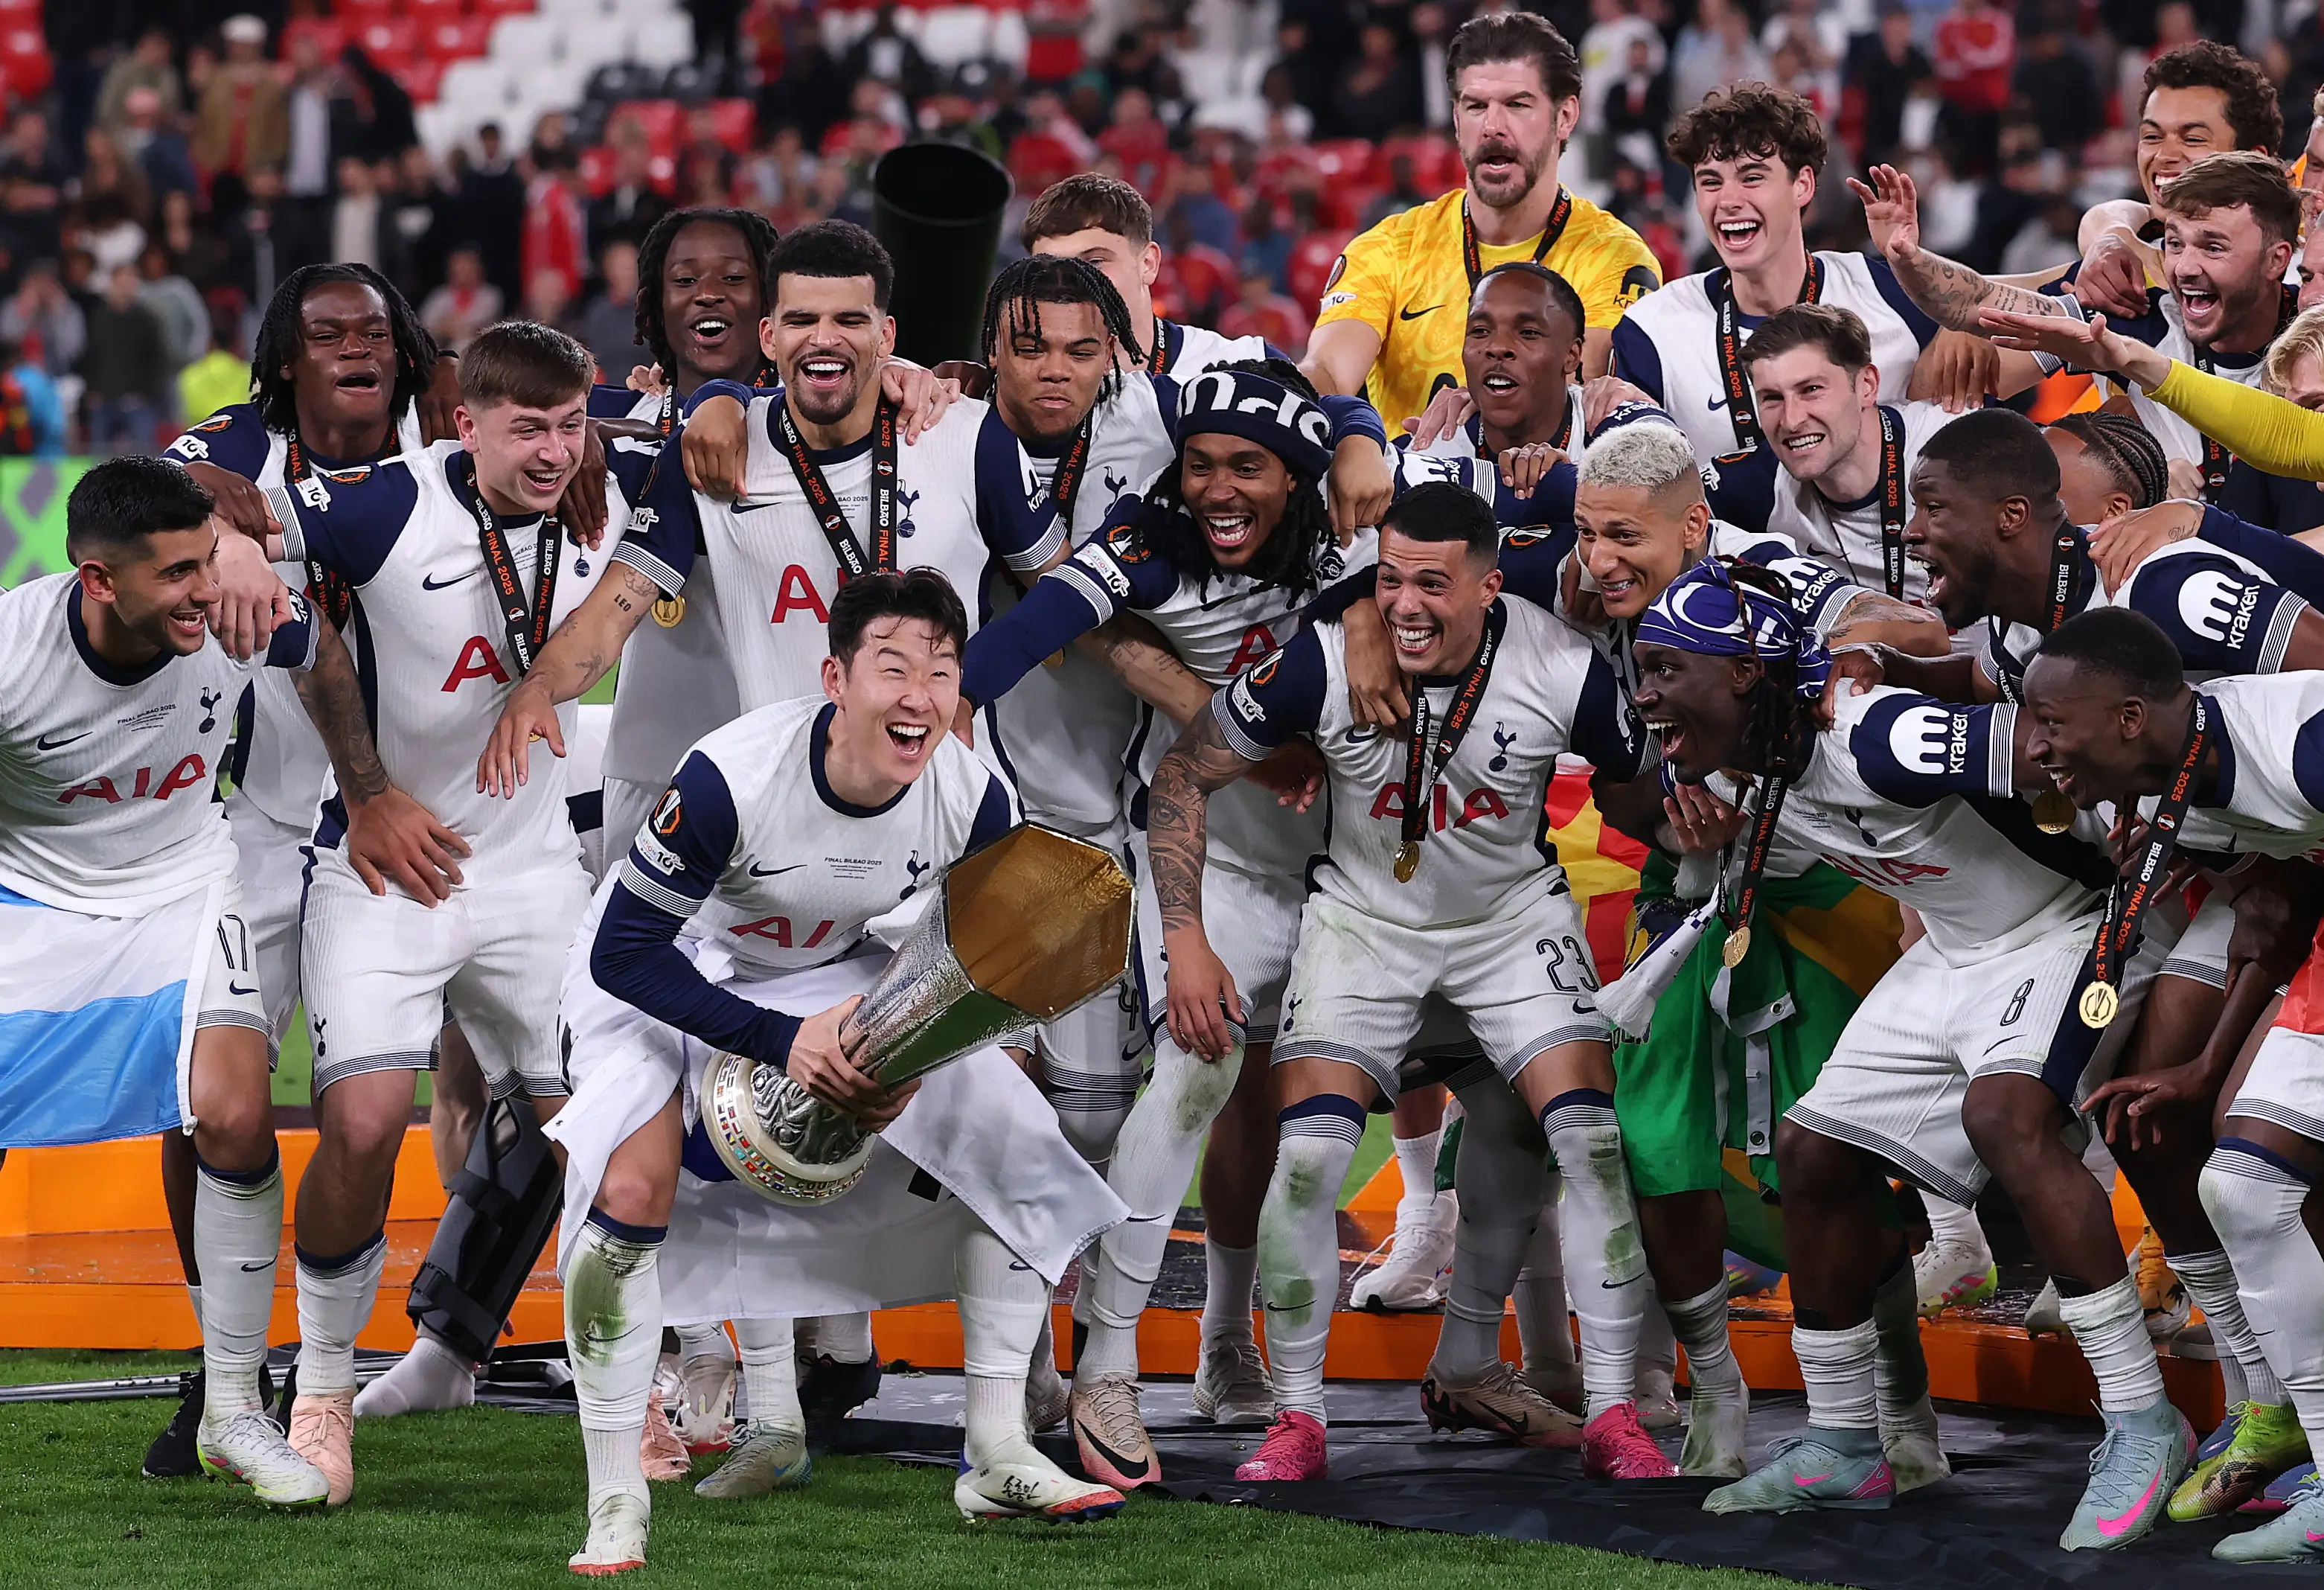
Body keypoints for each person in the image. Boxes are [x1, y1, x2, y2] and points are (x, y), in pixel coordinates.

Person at [1634, 492, 2181, 1552]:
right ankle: (1847, 1442)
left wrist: (2139, 830)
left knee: (2005, 1118)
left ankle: (2137, 1417)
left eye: (1666, 672)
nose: (1648, 696)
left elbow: (2047, 741)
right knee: (1810, 1149)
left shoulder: (1870, 732)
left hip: (2068, 925)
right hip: (1954, 948)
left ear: (1745, 674)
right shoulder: (1750, 751)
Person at [545, 569, 1122, 1571]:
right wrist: (779, 1042)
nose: (919, 695)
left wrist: (925, 1055)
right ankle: (614, 1497)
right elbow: (621, 955)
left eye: (940, 672)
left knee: (1020, 1137)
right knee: (628, 1180)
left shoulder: (972, 793)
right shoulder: (730, 775)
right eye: (891, 669)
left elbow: (989, 967)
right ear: (834, 678)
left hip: (836, 974)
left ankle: (993, 1449)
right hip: (675, 963)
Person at [1156, 483, 1673, 1484]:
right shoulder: (1322, 652)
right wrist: (1185, 935)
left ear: (1489, 588)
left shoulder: (1560, 666)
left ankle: (1610, 1412)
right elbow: (1182, 774)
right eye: (1387, 580)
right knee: (1306, 1159)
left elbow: (1629, 786)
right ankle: (1296, 1419)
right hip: (1363, 922)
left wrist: (1699, 822)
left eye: (1432, 585)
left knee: (1587, 1139)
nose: (1403, 607)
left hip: (1506, 921)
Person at [255, 322, 686, 1505]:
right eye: (525, 429)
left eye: (568, 425)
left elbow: (727, 424)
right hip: (385, 866)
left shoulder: (618, 484)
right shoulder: (382, 506)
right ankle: (326, 1391)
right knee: (360, 1123)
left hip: (536, 872)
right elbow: (241, 523)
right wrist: (367, 791)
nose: (553, 452)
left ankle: (629, 1391)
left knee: (600, 1124)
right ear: (466, 425)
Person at [0, 456, 438, 1507]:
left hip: (190, 888)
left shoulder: (240, 609)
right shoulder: (13, 660)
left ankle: (236, 1412)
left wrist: (367, 788)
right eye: (178, 575)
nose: (208, 591)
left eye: (210, 562)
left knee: (234, 1120)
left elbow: (322, 656)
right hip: (33, 902)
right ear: (100, 583)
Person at [2020, 608, 2324, 1562]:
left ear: (2129, 718)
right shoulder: (2171, 787)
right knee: (2243, 1181)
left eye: (2052, 723)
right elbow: (2276, 906)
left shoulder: (2303, 744)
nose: (2037, 747)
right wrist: (2199, 1071)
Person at [1858, 152, 2324, 531]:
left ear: (2276, 260)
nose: (2184, 267)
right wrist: (1910, 259)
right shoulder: (2136, 316)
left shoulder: (2313, 333)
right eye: (2176, 244)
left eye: (2213, 247)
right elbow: (1980, 301)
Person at [1610, 84, 1942, 534]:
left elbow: (2045, 308)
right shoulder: (1653, 331)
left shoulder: (1887, 292)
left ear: (1802, 185)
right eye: (1710, 181)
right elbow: (1630, 499)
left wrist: (1958, 319)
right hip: (1739, 587)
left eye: (1752, 177)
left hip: (1900, 571)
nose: (1727, 200)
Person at [1305, 12, 1661, 424]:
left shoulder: (1614, 257)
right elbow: (1327, 372)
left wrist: (1469, 424)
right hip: (1404, 487)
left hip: (1547, 485)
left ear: (1564, 118)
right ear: (1456, 120)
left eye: (1517, 105)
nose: (1493, 126)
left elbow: (1591, 397)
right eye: (1476, 106)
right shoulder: (1389, 248)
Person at [1747, 303, 1960, 606]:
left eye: (1811, 390)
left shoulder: (1959, 448)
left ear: (1866, 386)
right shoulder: (1755, 483)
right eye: (1771, 398)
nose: (1791, 421)